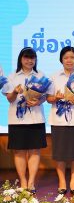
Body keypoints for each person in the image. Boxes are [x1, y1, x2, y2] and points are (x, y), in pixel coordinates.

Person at [2, 47, 48, 193]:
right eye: (26, 58)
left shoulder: (41, 75)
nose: (29, 61)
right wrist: (15, 92)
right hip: (17, 120)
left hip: (36, 118)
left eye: (32, 58)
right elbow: (10, 99)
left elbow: (45, 96)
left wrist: (38, 101)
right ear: (20, 59)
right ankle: (23, 181)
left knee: (35, 151)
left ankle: (31, 182)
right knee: (19, 152)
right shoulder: (12, 76)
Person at [47, 46, 74, 195]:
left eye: (72, 57)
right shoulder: (54, 77)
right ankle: (62, 182)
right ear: (61, 60)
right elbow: (48, 99)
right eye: (66, 57)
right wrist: (56, 97)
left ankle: (73, 181)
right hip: (58, 120)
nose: (69, 60)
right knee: (59, 153)